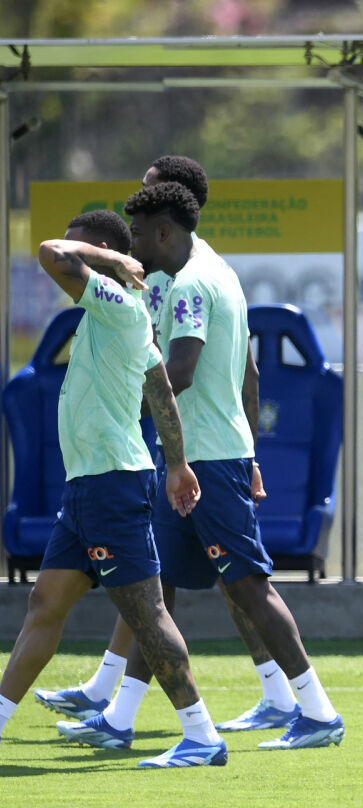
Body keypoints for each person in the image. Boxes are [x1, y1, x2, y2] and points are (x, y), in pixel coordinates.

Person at [57, 181, 343, 751]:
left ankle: (317, 712)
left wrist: (121, 414)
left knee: (250, 587)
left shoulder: (189, 285)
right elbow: (248, 375)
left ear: (164, 231)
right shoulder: (218, 272)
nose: (131, 247)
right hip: (205, 455)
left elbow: (180, 371)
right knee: (158, 589)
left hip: (207, 460)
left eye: (136, 235)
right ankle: (120, 719)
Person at [0, 210, 227, 768]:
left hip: (111, 486)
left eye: (86, 251)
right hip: (89, 487)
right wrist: (177, 464)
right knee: (45, 601)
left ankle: (203, 737)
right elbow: (161, 392)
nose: (68, 267)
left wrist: (112, 258)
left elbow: (50, 251)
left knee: (147, 614)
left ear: (101, 254)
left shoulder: (115, 301)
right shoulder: (125, 315)